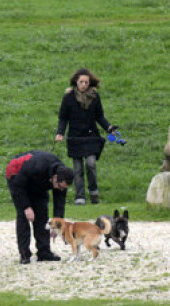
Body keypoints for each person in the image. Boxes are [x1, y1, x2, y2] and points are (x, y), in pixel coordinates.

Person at [55, 68, 118, 205]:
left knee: (91, 164)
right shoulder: (68, 98)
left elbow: (99, 116)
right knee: (77, 169)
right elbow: (63, 118)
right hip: (75, 137)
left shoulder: (95, 97)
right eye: (81, 82)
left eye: (86, 82)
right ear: (76, 82)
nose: (83, 84)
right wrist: (60, 133)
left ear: (90, 83)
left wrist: (109, 128)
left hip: (91, 137)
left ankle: (94, 192)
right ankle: (80, 197)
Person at [5, 150, 74, 264]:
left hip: (38, 183)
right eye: (59, 186)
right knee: (24, 216)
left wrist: (57, 223)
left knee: (42, 214)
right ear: (55, 177)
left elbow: (59, 202)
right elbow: (18, 186)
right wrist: (26, 207)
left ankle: (44, 252)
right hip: (16, 176)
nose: (61, 190)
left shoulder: (62, 177)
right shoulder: (36, 167)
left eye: (63, 188)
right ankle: (24, 253)